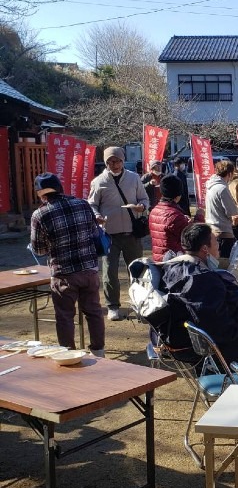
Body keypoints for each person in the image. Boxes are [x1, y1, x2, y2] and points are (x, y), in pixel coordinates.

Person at [30, 172, 106, 357]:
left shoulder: (39, 214)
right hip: (89, 269)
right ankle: (98, 351)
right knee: (94, 311)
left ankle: (68, 354)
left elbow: (38, 249)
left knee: (64, 316)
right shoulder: (82, 204)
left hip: (63, 273)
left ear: (41, 194)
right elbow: (93, 233)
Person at [161, 223, 238, 368]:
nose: (218, 245)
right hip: (201, 345)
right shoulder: (202, 279)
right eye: (215, 241)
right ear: (205, 249)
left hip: (176, 338)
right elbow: (213, 320)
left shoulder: (173, 266)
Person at [88, 146, 149, 321]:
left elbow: (144, 199)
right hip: (109, 234)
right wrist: (97, 215)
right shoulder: (98, 181)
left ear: (123, 161)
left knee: (137, 271)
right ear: (106, 163)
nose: (114, 164)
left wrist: (142, 207)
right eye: (110, 161)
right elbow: (91, 204)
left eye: (117, 161)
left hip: (132, 233)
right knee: (110, 272)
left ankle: (139, 304)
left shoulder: (134, 178)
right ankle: (113, 306)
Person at [149, 174, 191, 262]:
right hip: (174, 261)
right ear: (178, 195)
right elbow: (191, 237)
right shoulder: (175, 215)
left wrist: (184, 219)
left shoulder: (154, 211)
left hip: (158, 259)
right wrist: (199, 218)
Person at [205, 160, 238, 259]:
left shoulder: (210, 186)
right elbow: (233, 213)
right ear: (229, 174)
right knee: (224, 265)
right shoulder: (222, 188)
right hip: (224, 233)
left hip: (212, 230)